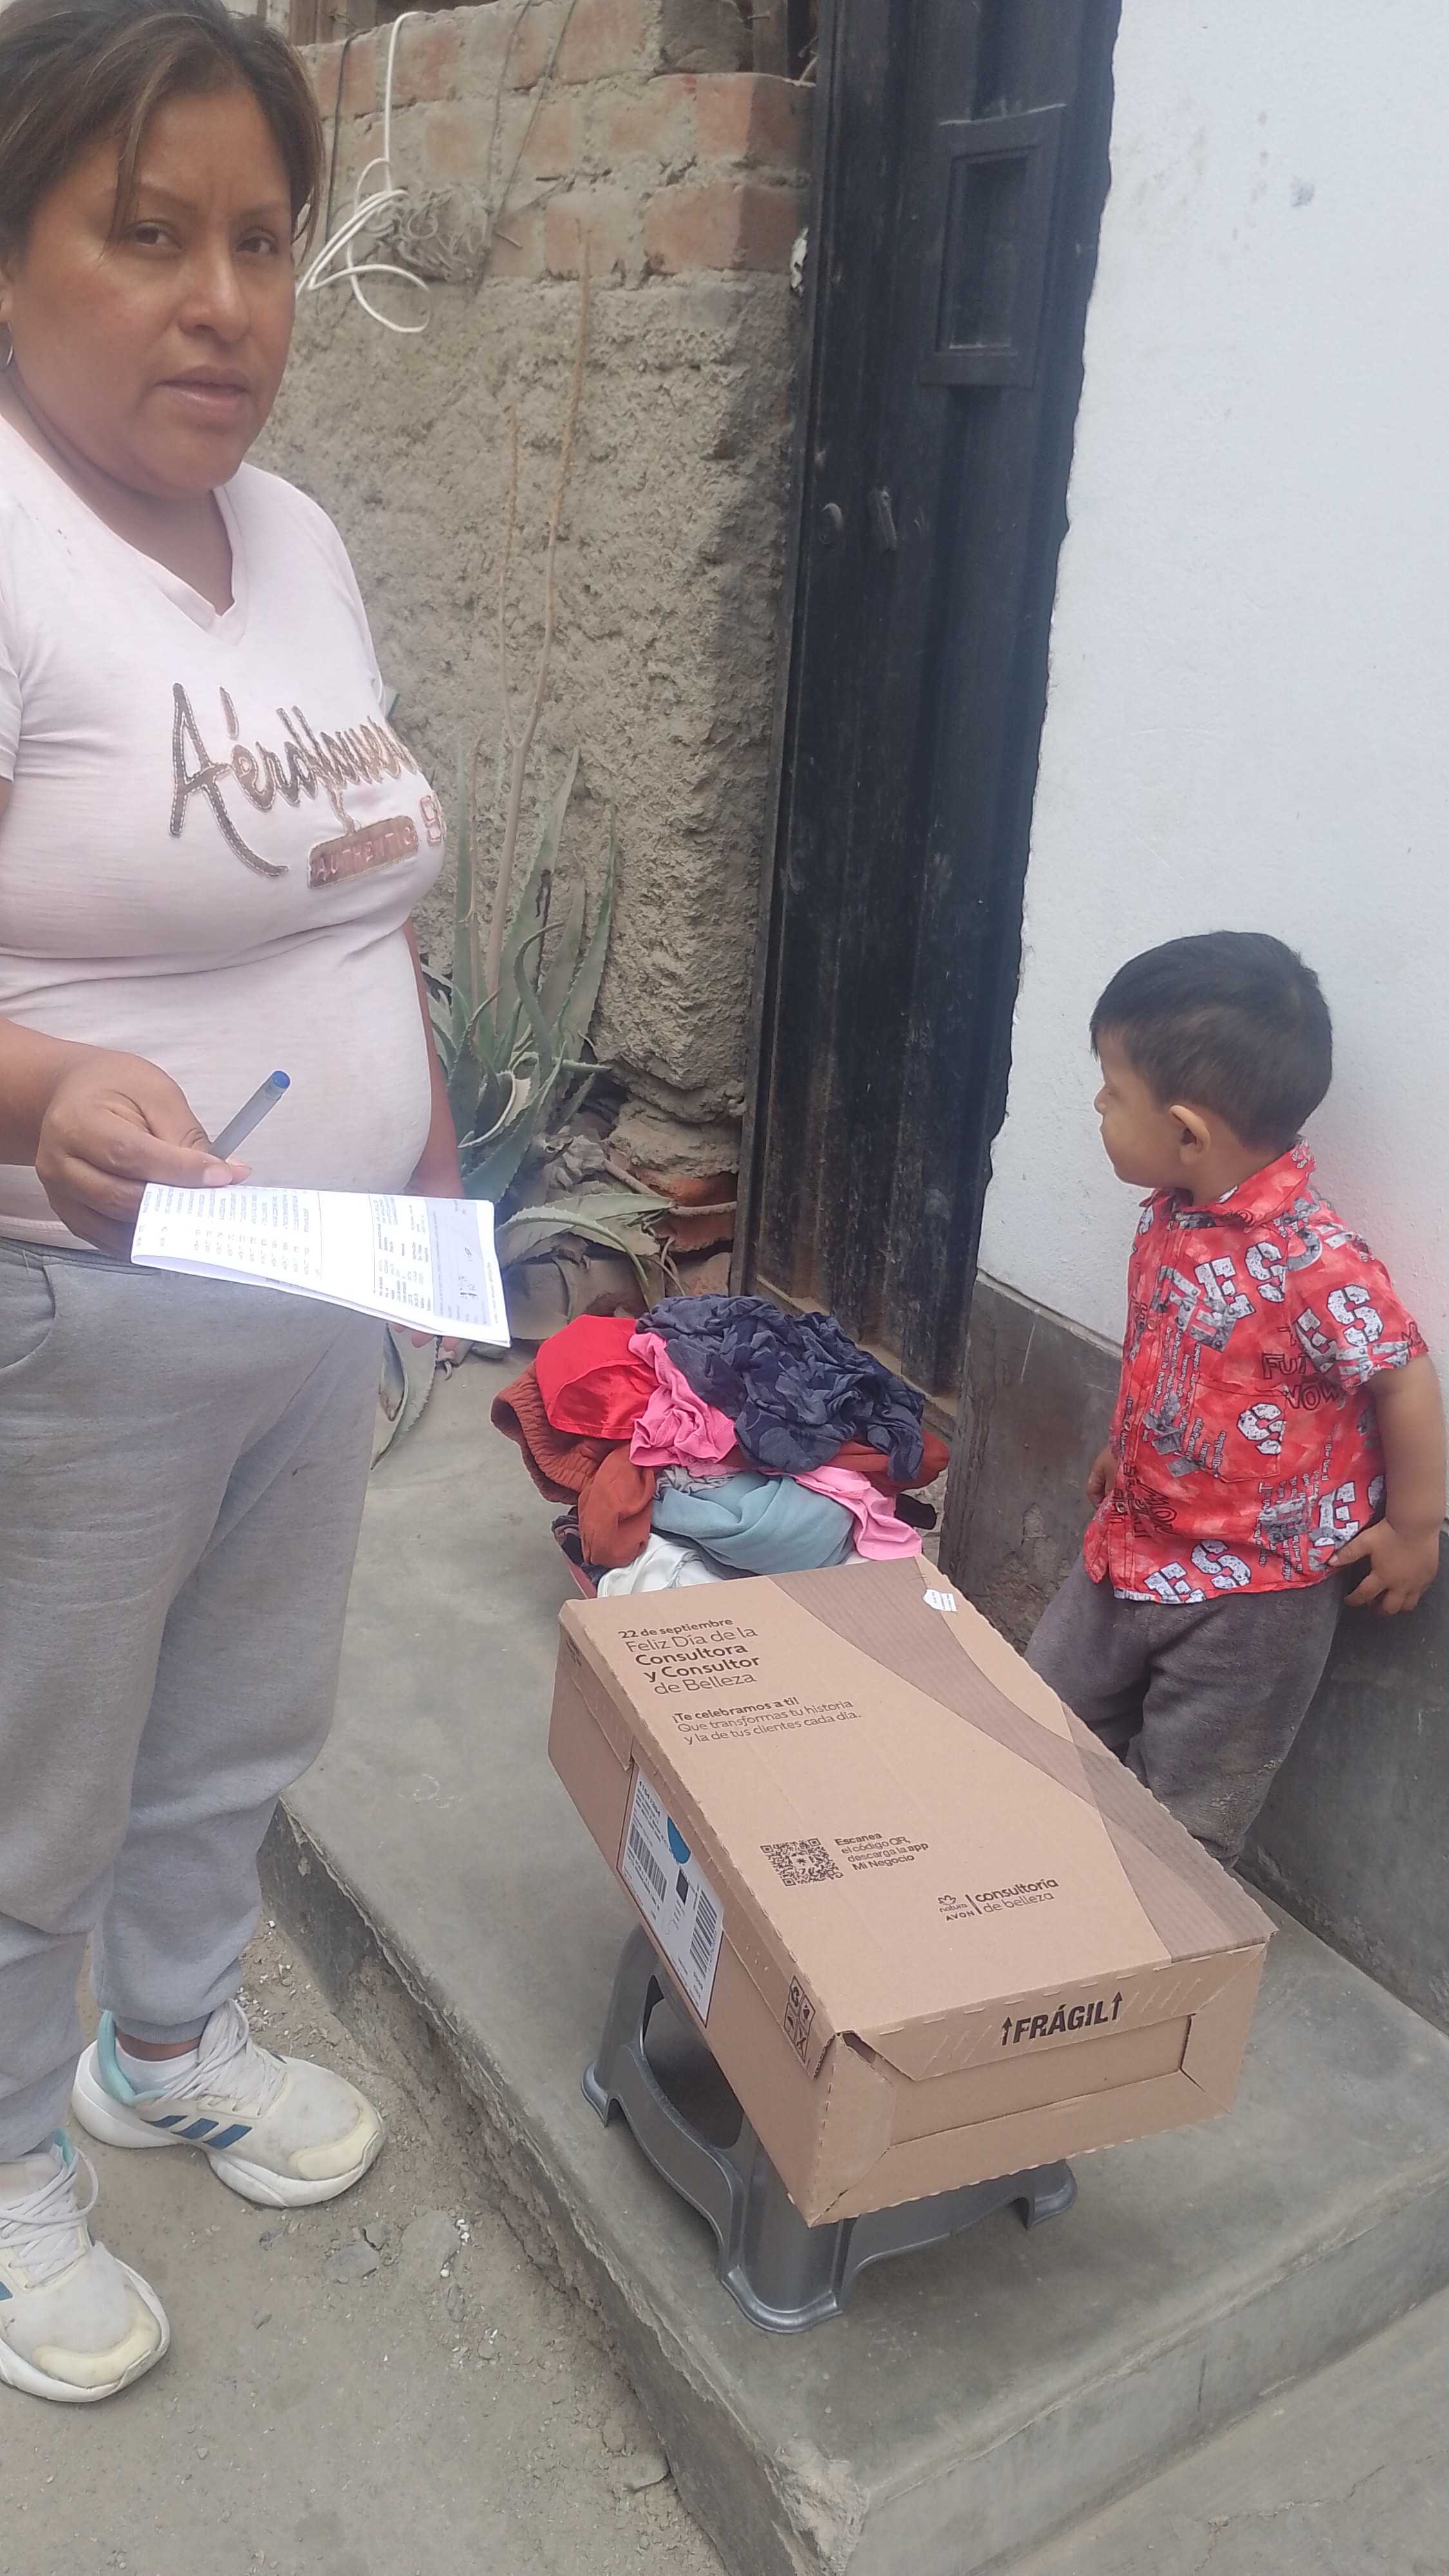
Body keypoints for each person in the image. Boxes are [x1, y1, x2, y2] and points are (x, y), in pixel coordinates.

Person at [0, 0, 464, 2403]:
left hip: (316, 1293)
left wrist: (434, 1170)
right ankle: (5, 2170)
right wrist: (46, 1083)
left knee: (244, 1722)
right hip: (74, 1329)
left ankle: (163, 2046)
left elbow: (359, 891)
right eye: (147, 235)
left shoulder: (298, 540)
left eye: (265, 242)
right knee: (36, 1767)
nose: (223, 304)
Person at [1027, 931, 1444, 1870]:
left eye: (1111, 1088)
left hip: (1255, 1598)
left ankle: (1155, 1933)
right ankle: (1046, 1883)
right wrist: (1129, 1443)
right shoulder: (1176, 1213)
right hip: (1131, 1544)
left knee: (1186, 1810)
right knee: (1038, 1721)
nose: (1097, 1104)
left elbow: (1404, 1377)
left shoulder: (1314, 1259)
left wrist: (1415, 1528)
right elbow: (1177, 1351)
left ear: (1187, 1130)